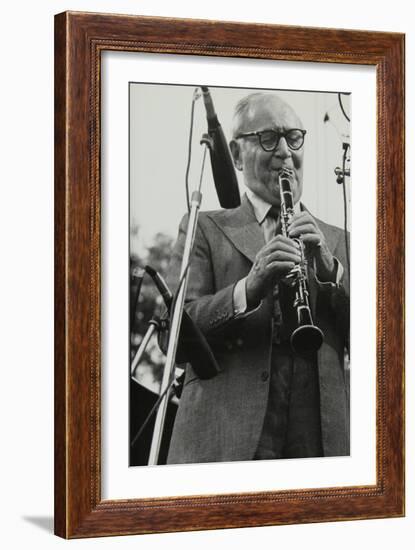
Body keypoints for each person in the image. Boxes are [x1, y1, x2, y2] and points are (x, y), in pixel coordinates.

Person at [165, 92, 350, 465]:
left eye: (293, 137)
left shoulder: (337, 240)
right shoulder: (203, 227)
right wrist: (247, 289)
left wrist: (331, 273)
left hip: (318, 444)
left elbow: (386, 345)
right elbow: (174, 337)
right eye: (269, 138)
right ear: (235, 154)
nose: (284, 151)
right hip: (223, 441)